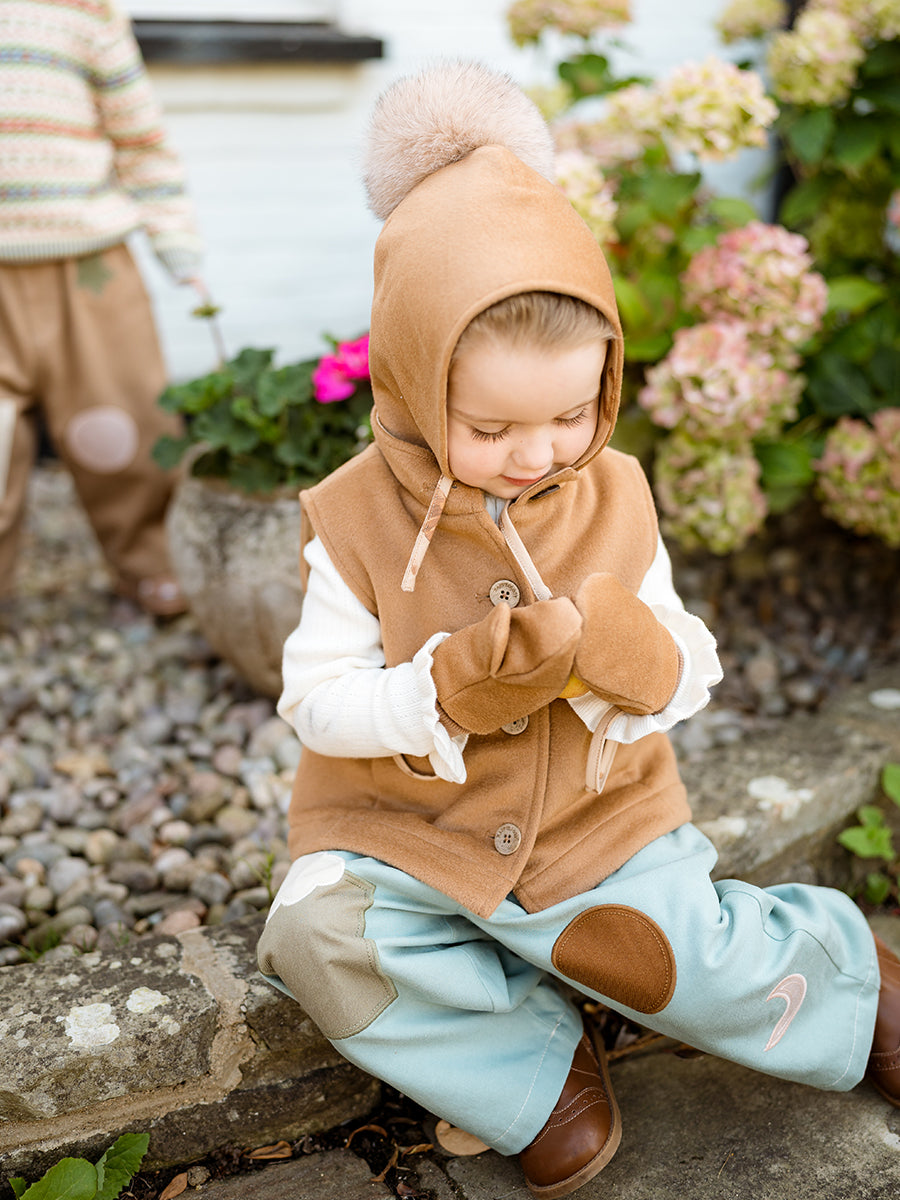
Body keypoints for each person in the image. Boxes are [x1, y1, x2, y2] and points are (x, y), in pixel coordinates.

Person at [257, 61, 900, 1199]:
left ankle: (860, 987)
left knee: (678, 962)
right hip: (407, 826)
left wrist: (629, 651)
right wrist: (435, 690)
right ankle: (534, 1067)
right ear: (409, 380)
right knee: (320, 940)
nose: (537, 453)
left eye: (569, 414)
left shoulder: (616, 494)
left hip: (589, 822)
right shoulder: (351, 517)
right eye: (489, 427)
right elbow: (315, 701)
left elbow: (689, 665)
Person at [0, 0, 205, 615]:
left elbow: (140, 138)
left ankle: (150, 560)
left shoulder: (86, 13)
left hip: (90, 266)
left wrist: (173, 237)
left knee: (121, 424)